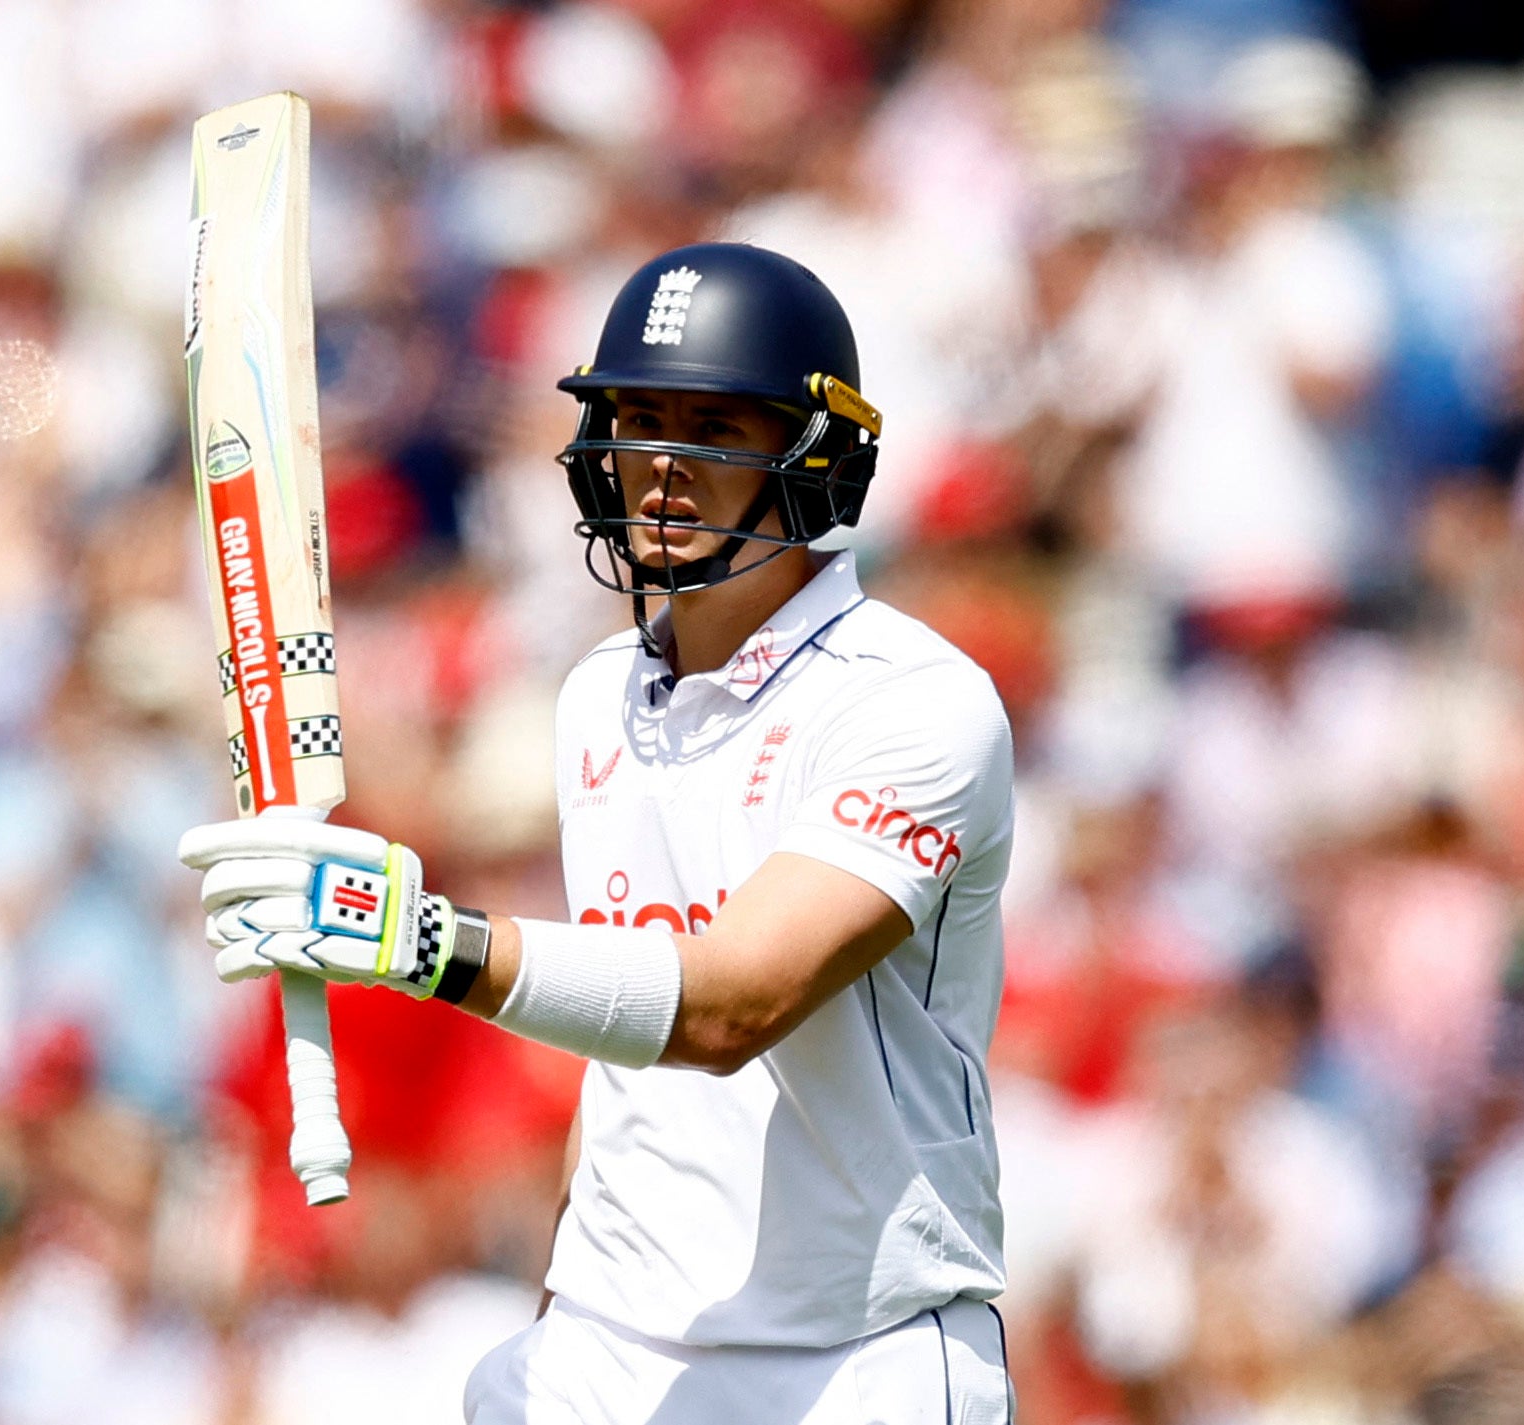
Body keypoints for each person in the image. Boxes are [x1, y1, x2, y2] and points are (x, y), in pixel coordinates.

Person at [179, 243, 1017, 1424]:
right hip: (607, 1352)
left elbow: (733, 1003)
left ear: (816, 458)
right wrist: (564, 1316)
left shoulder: (914, 702)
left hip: (854, 1360)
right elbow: (625, 1057)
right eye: (638, 420)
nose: (663, 468)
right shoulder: (598, 697)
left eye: (715, 426)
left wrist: (418, 943)